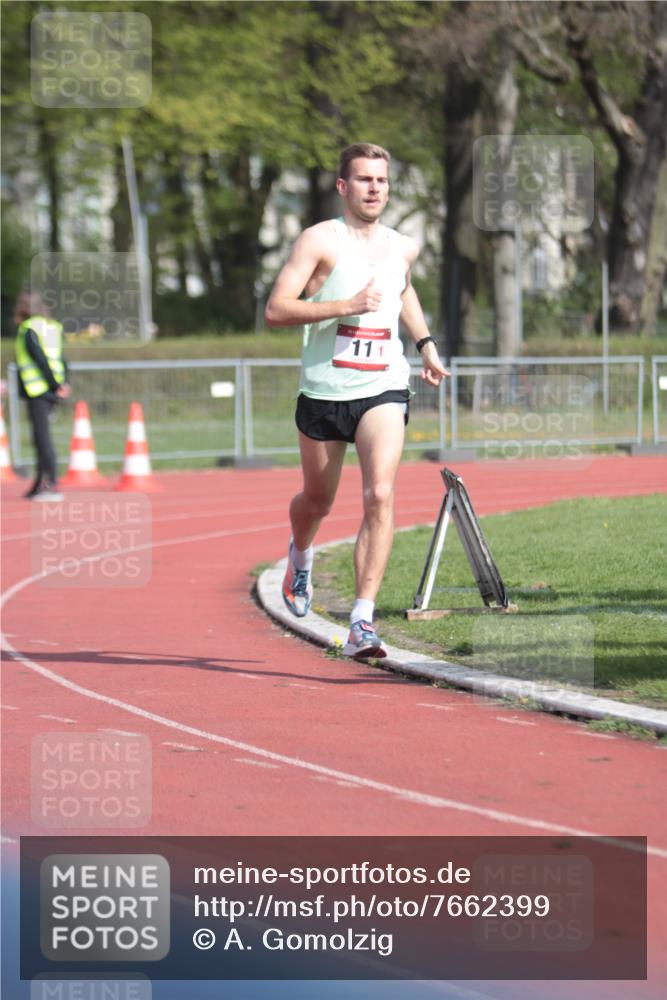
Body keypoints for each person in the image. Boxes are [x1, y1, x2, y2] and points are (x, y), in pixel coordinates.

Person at [265, 142, 449, 659]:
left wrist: (426, 344)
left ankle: (363, 622)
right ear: (344, 187)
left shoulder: (402, 246)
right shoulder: (320, 241)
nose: (375, 189)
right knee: (316, 502)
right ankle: (300, 558)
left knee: (380, 495)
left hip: (383, 385)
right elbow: (277, 310)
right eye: (365, 180)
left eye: (382, 181)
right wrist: (345, 305)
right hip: (325, 391)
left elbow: (403, 289)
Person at [14, 291, 71, 500]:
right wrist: (64, 383)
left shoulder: (28, 329)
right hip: (51, 389)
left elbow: (40, 359)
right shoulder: (53, 327)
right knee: (40, 438)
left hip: (38, 389)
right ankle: (40, 483)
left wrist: (55, 384)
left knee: (42, 438)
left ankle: (50, 483)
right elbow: (61, 359)